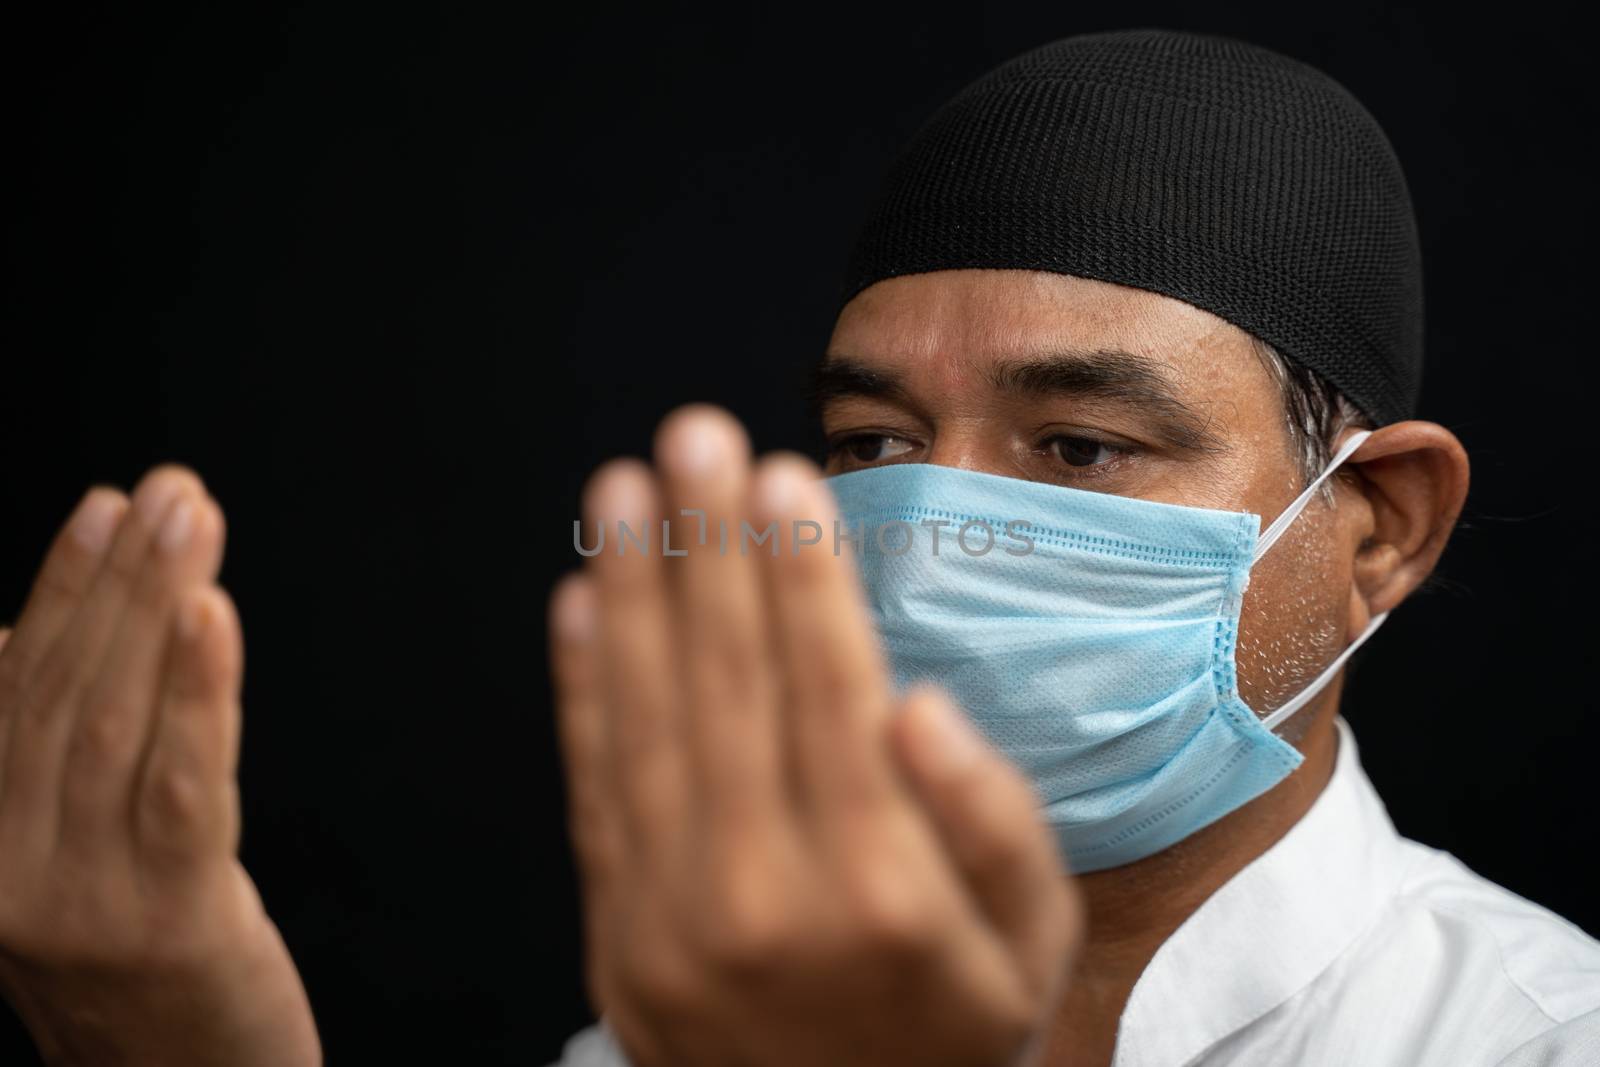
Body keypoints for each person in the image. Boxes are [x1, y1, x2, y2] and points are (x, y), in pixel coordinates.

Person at [0, 25, 1594, 1067]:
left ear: (1380, 528)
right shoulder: (683, 1035)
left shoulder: (1532, 1039)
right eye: (873, 448)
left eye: (1083, 448)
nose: (930, 540)